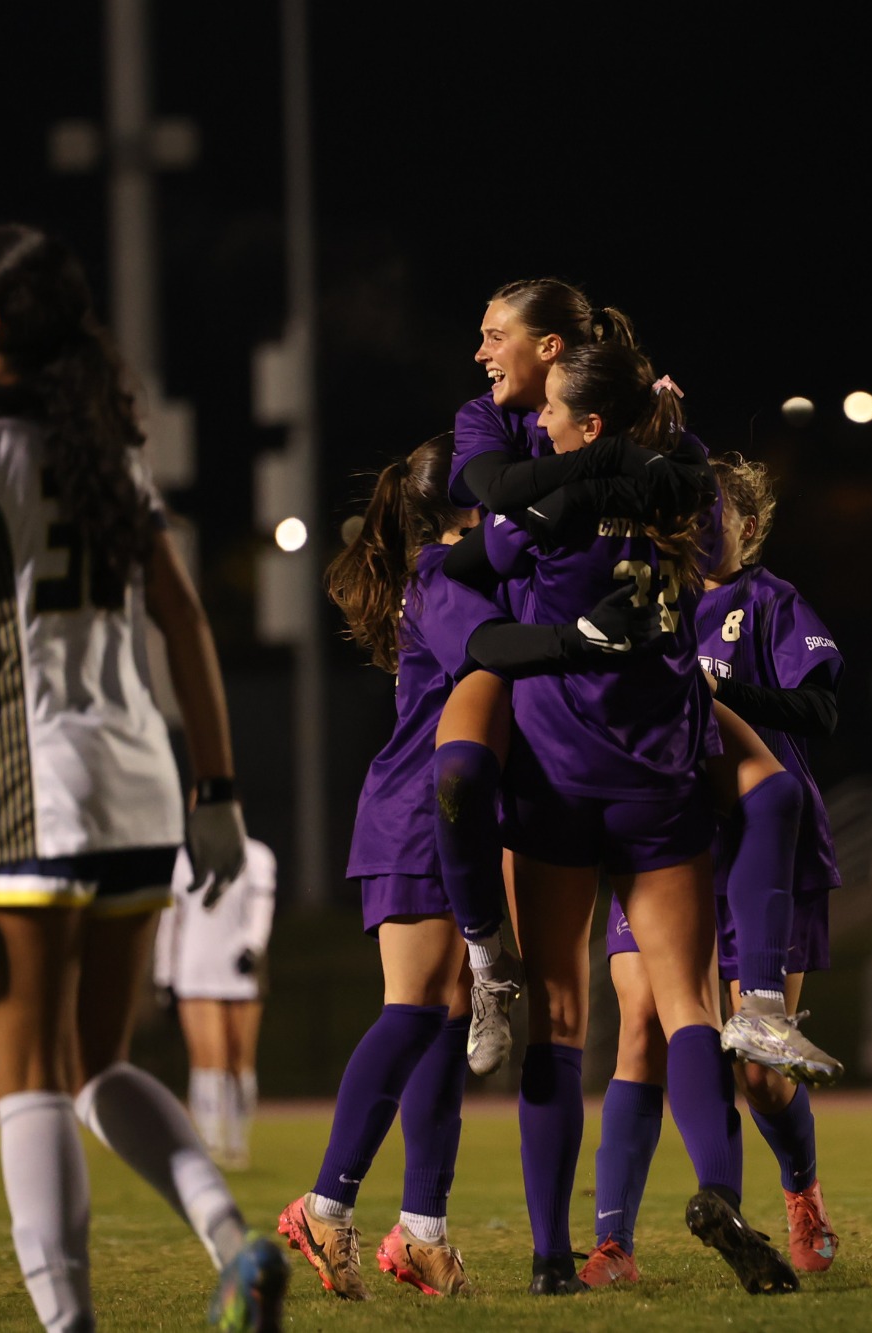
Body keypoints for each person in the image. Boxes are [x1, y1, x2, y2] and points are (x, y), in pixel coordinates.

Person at [0, 225, 284, 1332]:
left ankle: (70, 1325)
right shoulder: (104, 451)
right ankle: (232, 1238)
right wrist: (215, 788)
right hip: (137, 788)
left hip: (26, 794)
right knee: (96, 1063)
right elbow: (183, 615)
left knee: (26, 1074)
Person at [280, 436, 665, 1301]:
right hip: (419, 815)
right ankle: (324, 1201)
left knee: (447, 1028)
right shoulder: (438, 575)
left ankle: (422, 1230)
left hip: (452, 816)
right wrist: (585, 638)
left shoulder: (467, 562)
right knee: (415, 1013)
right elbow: (497, 646)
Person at [455, 338, 800, 1295]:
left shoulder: (546, 508)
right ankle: (721, 1192)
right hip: (660, 776)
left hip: (560, 776)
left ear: (590, 422)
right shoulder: (680, 496)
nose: (542, 426)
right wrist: (668, 432)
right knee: (689, 1003)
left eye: (558, 414)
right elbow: (720, 531)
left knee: (560, 1019)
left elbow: (480, 559)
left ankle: (549, 1257)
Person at [438, 279, 839, 1090]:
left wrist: (616, 481)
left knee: (771, 802)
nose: (480, 352)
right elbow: (484, 522)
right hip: (522, 663)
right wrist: (610, 472)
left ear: (552, 352)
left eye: (494, 334)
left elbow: (698, 500)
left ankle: (759, 1004)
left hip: (634, 696)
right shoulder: (489, 419)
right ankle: (485, 956)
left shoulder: (650, 420)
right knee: (459, 770)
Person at [581, 453, 845, 1287]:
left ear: (750, 524)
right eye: (691, 508)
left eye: (717, 509)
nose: (700, 521)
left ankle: (801, 1192)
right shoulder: (655, 599)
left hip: (768, 854)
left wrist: (710, 695)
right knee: (638, 1028)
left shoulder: (771, 604)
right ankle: (612, 1242)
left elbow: (822, 708)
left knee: (761, 1077)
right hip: (670, 841)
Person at [154, 838, 277, 1169]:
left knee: (240, 1060)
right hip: (194, 971)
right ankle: (210, 1143)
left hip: (240, 969)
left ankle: (237, 1144)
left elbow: (261, 908)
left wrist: (252, 947)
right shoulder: (184, 859)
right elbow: (171, 918)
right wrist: (164, 973)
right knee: (208, 1058)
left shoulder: (256, 855)